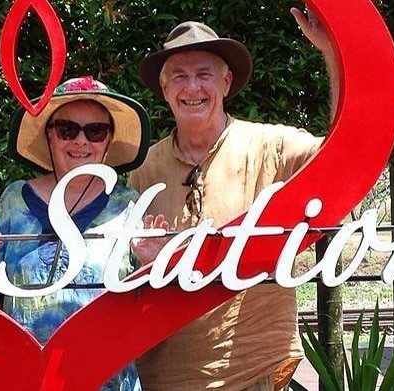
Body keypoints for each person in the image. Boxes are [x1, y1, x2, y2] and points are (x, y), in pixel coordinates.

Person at [128, 9, 339, 391]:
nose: (191, 87)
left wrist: (331, 52)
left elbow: (344, 159)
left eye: (204, 74)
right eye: (179, 75)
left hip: (254, 372)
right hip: (164, 378)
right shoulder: (142, 173)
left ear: (226, 82)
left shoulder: (271, 147)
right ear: (164, 89)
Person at [0, 76, 151, 391]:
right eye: (67, 129)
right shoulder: (14, 201)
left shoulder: (127, 206)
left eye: (95, 131)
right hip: (23, 380)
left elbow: (146, 316)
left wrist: (149, 266)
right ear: (50, 134)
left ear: (109, 138)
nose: (81, 142)